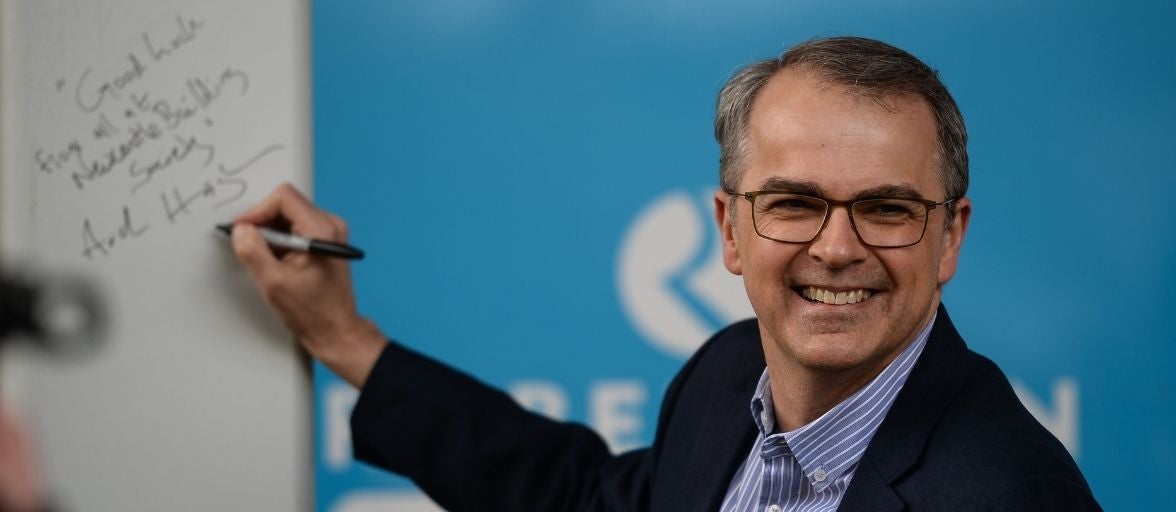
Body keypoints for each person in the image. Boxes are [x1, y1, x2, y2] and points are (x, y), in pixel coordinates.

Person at [229, 36, 1101, 510]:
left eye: (887, 208)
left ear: (950, 238)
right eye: (793, 203)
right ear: (729, 228)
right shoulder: (725, 377)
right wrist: (345, 339)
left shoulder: (1013, 496)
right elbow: (570, 495)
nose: (837, 247)